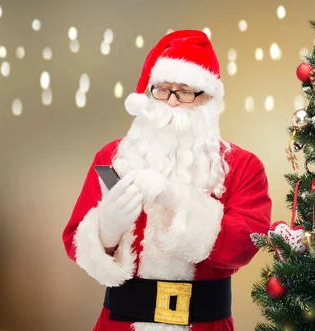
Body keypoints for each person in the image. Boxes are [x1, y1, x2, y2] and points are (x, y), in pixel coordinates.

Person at [63, 29, 272, 331]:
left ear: (209, 99)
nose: (171, 102)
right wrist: (106, 231)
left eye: (185, 92)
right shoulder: (112, 156)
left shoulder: (243, 166)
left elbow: (244, 245)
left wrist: (178, 200)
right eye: (162, 90)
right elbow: (73, 241)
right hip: (120, 323)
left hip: (204, 324)